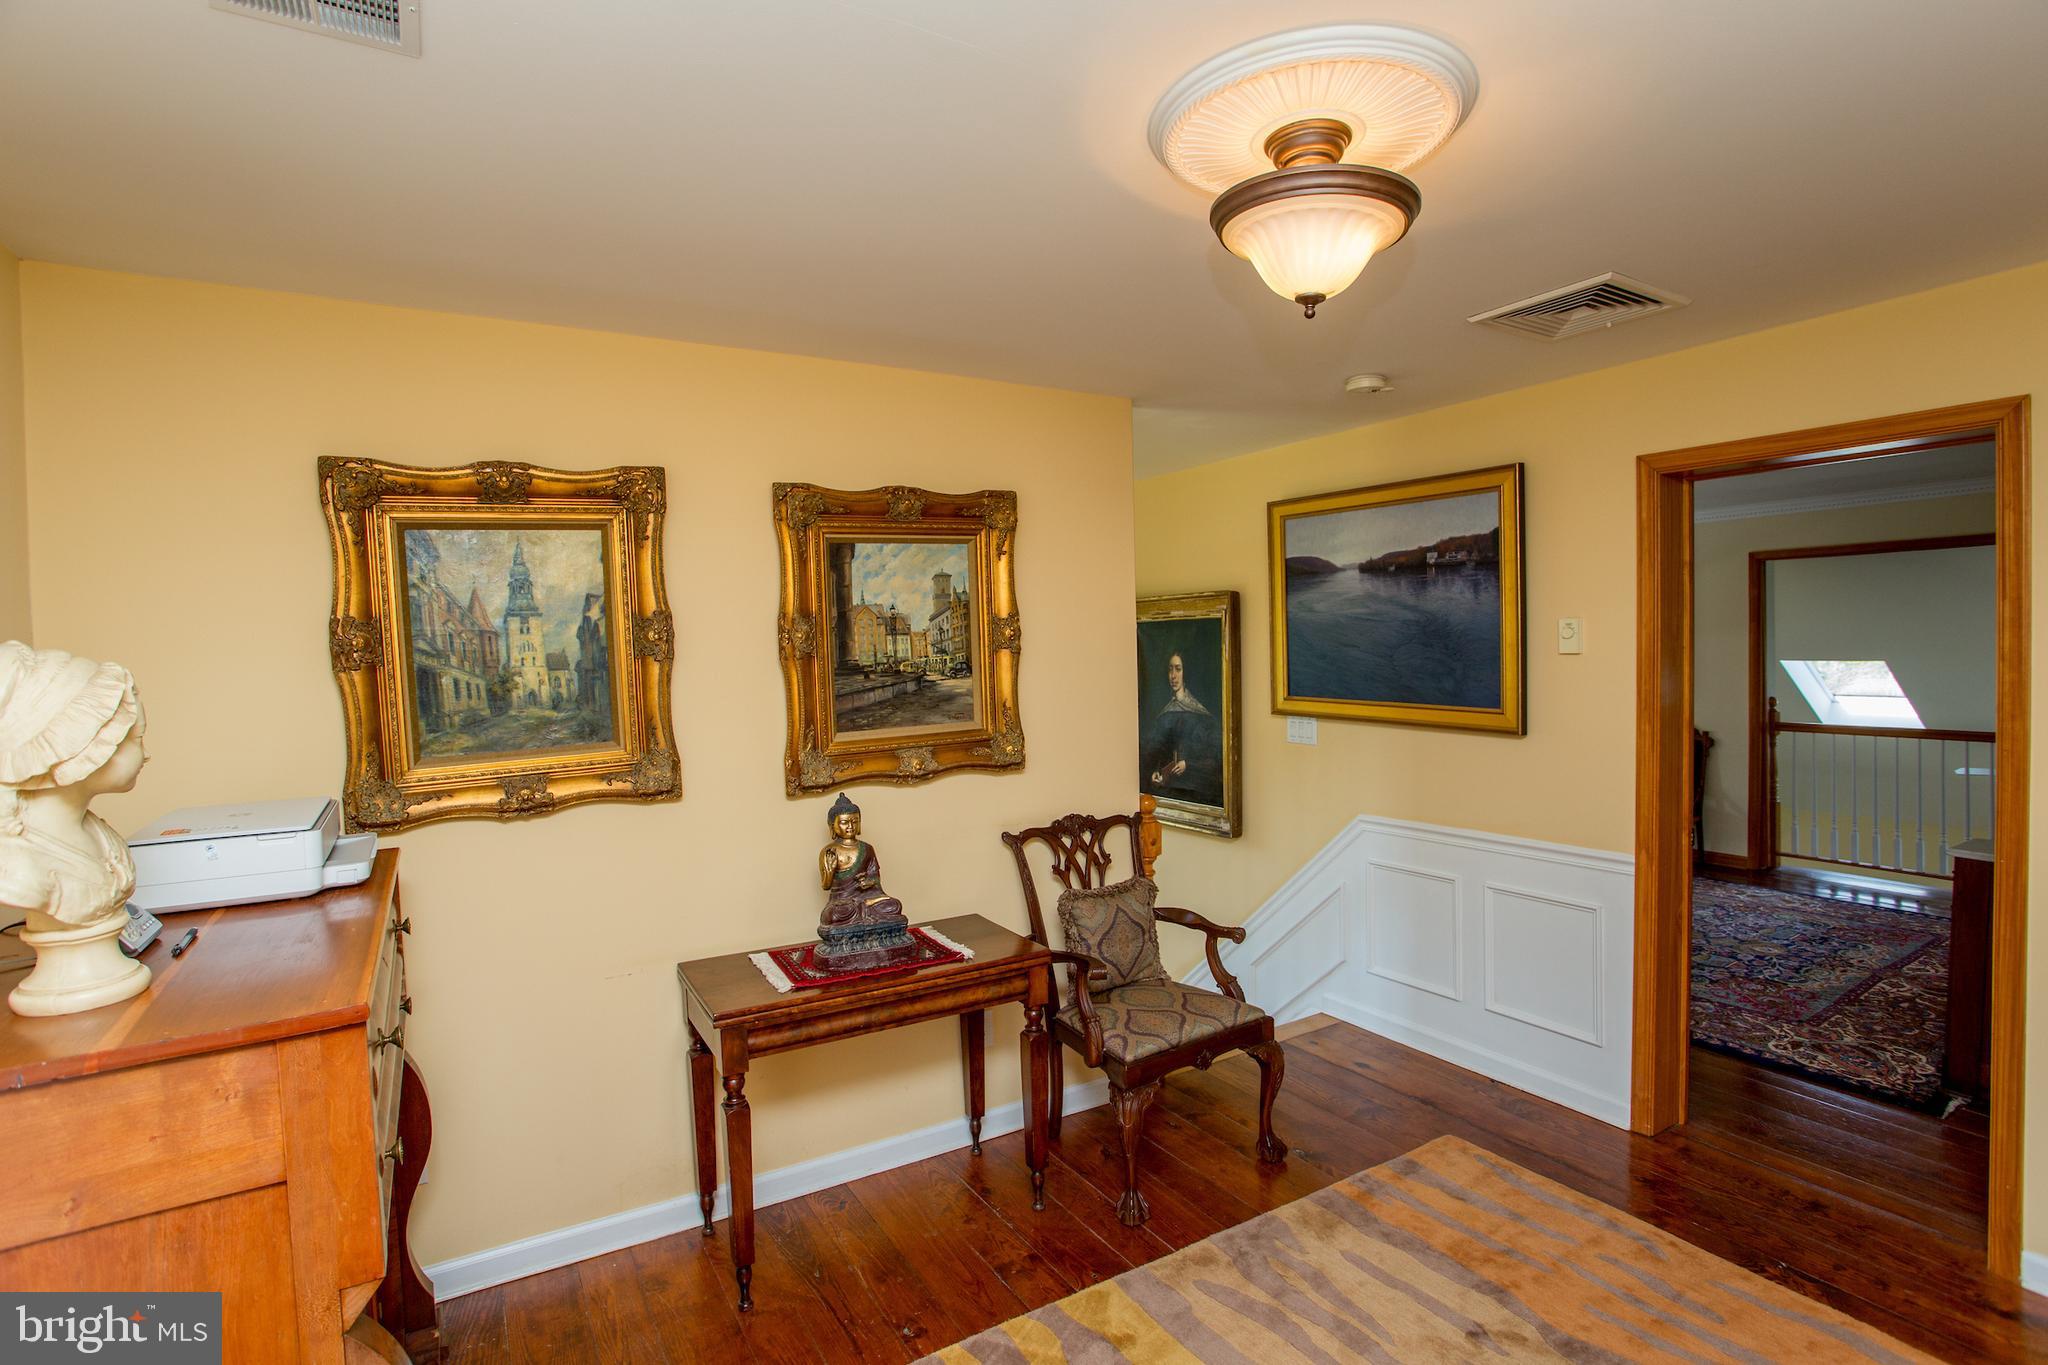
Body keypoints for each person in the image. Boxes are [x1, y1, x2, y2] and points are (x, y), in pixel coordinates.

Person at [0, 642, 153, 1015]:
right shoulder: (20, 864)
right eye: (135, 739)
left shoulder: (100, 837)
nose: (146, 754)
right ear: (83, 749)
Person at [1142, 651, 1221, 806]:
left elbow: (1213, 756)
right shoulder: (1165, 713)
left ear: (1186, 673)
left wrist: (1188, 764)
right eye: (1170, 669)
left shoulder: (1201, 715)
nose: (1173, 675)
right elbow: (1159, 752)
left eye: (1178, 669)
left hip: (1196, 789)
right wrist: (1156, 772)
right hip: (1169, 791)